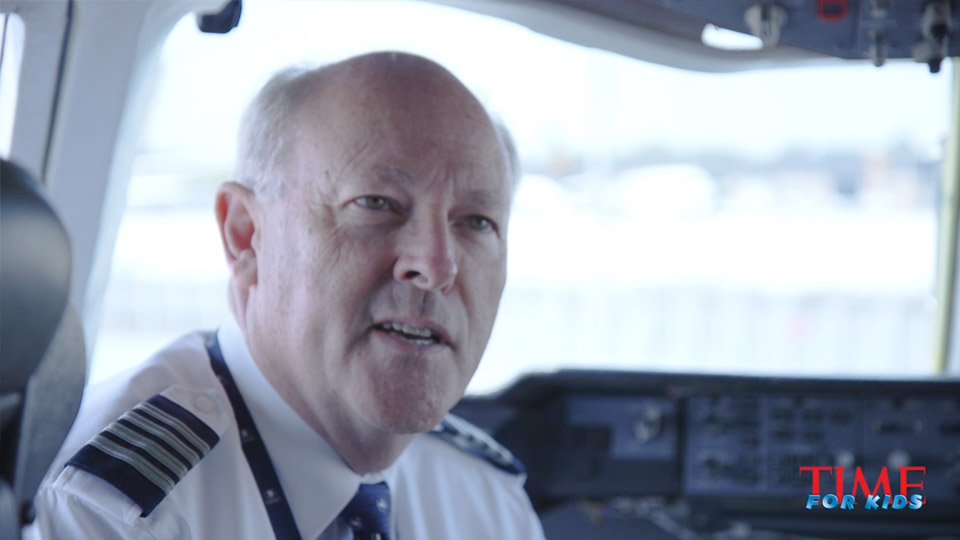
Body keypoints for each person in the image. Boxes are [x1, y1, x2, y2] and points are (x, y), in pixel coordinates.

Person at [28, 51, 545, 539]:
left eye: (477, 222)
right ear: (245, 235)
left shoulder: (490, 503)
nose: (435, 266)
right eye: (376, 203)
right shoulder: (110, 512)